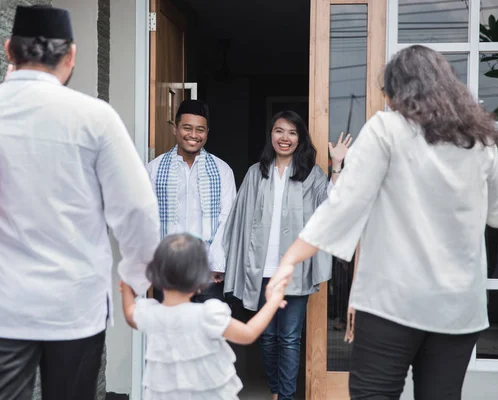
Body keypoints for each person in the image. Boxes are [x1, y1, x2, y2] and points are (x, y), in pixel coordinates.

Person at [269, 45, 498, 399]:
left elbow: (342, 205)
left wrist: (290, 259)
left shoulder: (386, 128)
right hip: (458, 311)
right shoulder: (479, 141)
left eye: (387, 92)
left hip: (390, 304)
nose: (386, 100)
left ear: (399, 91)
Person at [0, 5, 160, 400]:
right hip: (74, 304)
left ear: (7, 50)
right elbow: (137, 209)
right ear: (71, 56)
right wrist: (135, 279)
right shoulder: (94, 117)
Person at [222, 110, 352, 400]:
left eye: (292, 133)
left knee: (290, 338)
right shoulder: (257, 173)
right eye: (280, 131)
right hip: (261, 269)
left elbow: (332, 204)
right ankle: (276, 390)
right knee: (267, 338)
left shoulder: (310, 174)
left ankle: (286, 396)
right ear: (271, 135)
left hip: (295, 270)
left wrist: (337, 165)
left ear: (300, 139)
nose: (285, 138)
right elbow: (239, 221)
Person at [120, 233, 288, 400]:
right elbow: (248, 333)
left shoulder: (152, 314)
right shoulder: (208, 315)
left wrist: (126, 286)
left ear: (156, 276)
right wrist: (273, 302)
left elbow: (129, 313)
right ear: (199, 280)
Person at [146, 99, 236, 303]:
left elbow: (227, 219)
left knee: (206, 333)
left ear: (207, 133)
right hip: (169, 270)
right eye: (187, 128)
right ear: (175, 128)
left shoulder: (222, 171)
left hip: (208, 273)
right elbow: (148, 219)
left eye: (200, 130)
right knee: (169, 332)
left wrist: (216, 265)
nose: (194, 135)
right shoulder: (154, 169)